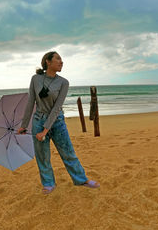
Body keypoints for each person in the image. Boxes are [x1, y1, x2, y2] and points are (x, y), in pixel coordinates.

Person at [17, 51, 100, 194]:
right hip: (38, 120)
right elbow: (31, 102)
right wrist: (24, 125)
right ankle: (48, 183)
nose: (61, 62)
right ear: (48, 62)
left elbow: (56, 108)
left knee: (68, 152)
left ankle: (81, 179)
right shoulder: (35, 79)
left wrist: (45, 130)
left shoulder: (63, 82)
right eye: (58, 59)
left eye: (61, 59)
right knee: (43, 156)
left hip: (57, 121)